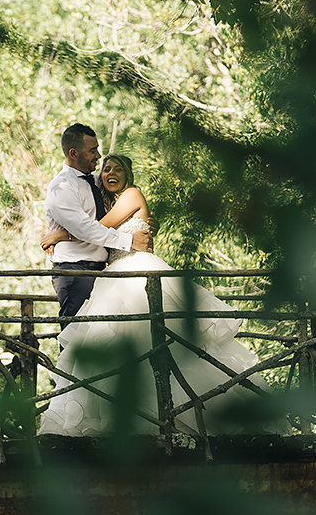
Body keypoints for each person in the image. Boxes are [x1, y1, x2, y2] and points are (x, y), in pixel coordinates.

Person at [38, 153, 287, 437]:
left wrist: (61, 236)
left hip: (139, 270)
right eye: (106, 169)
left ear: (128, 174)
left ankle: (178, 415)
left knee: (161, 341)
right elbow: (99, 229)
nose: (111, 172)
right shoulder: (108, 202)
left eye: (118, 168)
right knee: (125, 345)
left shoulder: (131, 194)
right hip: (115, 274)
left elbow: (99, 229)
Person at [44, 124, 151, 329]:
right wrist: (130, 240)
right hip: (76, 272)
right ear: (73, 153)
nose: (98, 156)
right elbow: (86, 228)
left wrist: (61, 235)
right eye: (93, 151)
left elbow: (117, 208)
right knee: (76, 336)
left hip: (102, 272)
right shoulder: (61, 188)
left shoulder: (96, 180)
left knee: (102, 335)